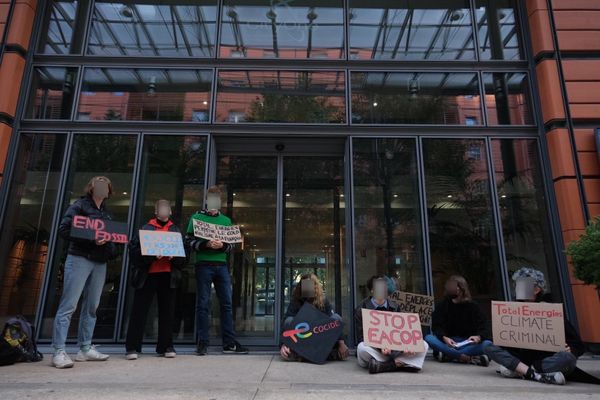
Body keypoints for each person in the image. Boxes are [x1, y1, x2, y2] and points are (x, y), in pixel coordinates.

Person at [51, 176, 117, 369]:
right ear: (91, 187)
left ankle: (85, 348)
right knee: (69, 305)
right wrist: (92, 240)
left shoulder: (106, 213)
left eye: (106, 186)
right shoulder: (79, 205)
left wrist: (110, 248)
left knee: (92, 306)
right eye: (99, 184)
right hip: (79, 258)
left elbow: (111, 236)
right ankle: (58, 351)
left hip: (99, 262)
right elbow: (64, 229)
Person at [483, 267, 585, 385]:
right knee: (487, 345)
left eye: (521, 285)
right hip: (520, 359)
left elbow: (578, 345)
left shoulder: (551, 311)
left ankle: (522, 371)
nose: (516, 289)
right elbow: (502, 341)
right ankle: (535, 374)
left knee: (567, 358)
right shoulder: (511, 310)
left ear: (536, 289)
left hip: (544, 360)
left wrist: (570, 349)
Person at [185, 186, 248, 355]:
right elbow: (188, 241)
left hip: (221, 266)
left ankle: (228, 343)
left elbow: (232, 245)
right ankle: (203, 342)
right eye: (211, 198)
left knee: (227, 305)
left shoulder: (226, 221)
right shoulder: (196, 218)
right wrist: (205, 244)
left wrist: (222, 246)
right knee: (203, 304)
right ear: (207, 200)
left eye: (217, 199)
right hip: (203, 264)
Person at [125, 200, 187, 360]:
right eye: (161, 208)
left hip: (168, 275)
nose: (165, 211)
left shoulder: (176, 230)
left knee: (167, 312)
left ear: (170, 212)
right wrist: (151, 256)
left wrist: (175, 257)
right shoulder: (145, 229)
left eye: (167, 208)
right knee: (140, 311)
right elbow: (133, 253)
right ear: (156, 211)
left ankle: (166, 346)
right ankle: (132, 347)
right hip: (148, 275)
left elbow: (184, 258)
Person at [354, 275, 428, 373]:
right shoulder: (361, 309)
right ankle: (403, 363)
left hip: (394, 352)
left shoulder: (395, 307)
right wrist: (380, 347)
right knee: (361, 348)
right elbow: (362, 338)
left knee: (423, 344)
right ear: (372, 290)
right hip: (376, 351)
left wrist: (406, 347)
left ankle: (386, 366)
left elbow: (401, 333)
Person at [280, 273, 349, 362]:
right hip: (303, 337)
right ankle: (324, 355)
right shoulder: (296, 301)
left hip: (320, 337)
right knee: (289, 320)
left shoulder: (323, 301)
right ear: (301, 287)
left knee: (336, 318)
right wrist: (284, 344)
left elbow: (335, 322)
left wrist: (341, 342)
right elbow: (287, 323)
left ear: (315, 287)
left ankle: (302, 356)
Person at [425, 275, 491, 366]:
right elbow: (436, 326)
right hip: (448, 342)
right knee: (429, 338)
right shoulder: (442, 305)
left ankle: (450, 355)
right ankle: (466, 357)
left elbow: (485, 326)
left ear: (462, 289)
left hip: (468, 343)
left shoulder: (473, 307)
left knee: (487, 344)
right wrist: (444, 338)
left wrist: (478, 337)